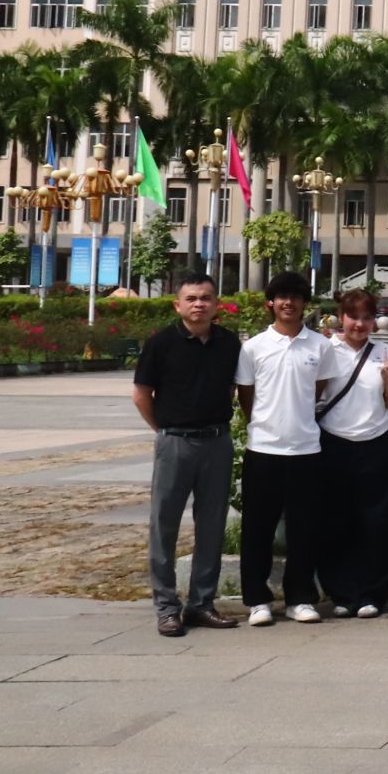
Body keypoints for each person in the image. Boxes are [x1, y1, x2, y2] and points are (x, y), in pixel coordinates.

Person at [133, 271, 242, 638]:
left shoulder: (229, 343)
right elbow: (141, 395)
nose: (199, 304)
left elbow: (232, 389)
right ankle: (167, 607)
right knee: (163, 525)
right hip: (175, 443)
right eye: (192, 298)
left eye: (206, 298)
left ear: (216, 304)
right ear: (177, 304)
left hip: (217, 442)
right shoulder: (161, 343)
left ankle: (201, 603)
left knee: (212, 525)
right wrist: (165, 430)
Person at [235, 271, 331, 625]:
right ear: (271, 303)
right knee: (257, 529)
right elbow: (247, 397)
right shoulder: (254, 347)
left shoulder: (320, 346)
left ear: (305, 303)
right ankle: (257, 600)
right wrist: (265, 424)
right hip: (263, 450)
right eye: (282, 297)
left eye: (296, 297)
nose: (288, 303)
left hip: (306, 450)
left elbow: (317, 391)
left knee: (305, 529)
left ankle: (300, 598)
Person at [315, 289, 388, 619]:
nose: (360, 324)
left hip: (376, 443)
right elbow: (314, 396)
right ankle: (341, 593)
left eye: (367, 318)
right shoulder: (327, 350)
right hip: (334, 444)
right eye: (353, 317)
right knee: (335, 521)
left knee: (378, 523)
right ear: (341, 317)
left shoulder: (385, 353)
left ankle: (372, 595)